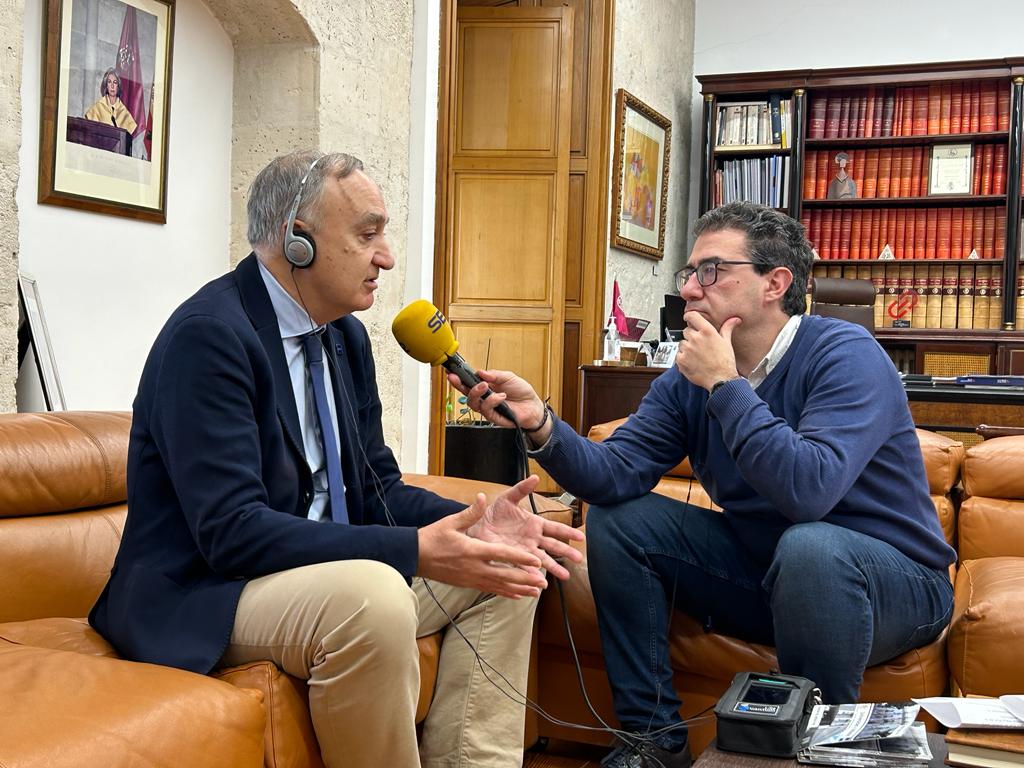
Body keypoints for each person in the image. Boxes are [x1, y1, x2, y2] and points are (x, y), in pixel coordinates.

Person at [89, 149, 584, 768]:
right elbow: (230, 534)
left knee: (506, 565)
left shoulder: (343, 337)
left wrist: (478, 523)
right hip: (215, 588)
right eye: (367, 234)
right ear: (298, 241)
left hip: (330, 569)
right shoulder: (210, 337)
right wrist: (413, 550)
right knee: (372, 594)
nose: (387, 257)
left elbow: (378, 488)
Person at [450, 201, 955, 768]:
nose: (690, 289)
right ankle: (652, 741)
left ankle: (806, 754)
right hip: (769, 575)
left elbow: (808, 492)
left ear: (775, 283)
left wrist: (725, 384)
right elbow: (613, 475)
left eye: (711, 271)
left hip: (894, 585)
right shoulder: (688, 379)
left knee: (812, 546)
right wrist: (539, 421)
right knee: (620, 519)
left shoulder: (845, 354)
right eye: (689, 273)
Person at [84, 68, 138, 134]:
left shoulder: (123, 111)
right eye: (109, 82)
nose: (112, 86)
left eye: (115, 82)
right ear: (106, 86)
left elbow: (127, 136)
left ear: (118, 86)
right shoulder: (98, 107)